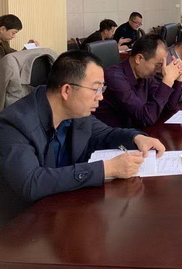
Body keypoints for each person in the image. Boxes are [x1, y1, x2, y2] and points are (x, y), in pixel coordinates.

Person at [0, 50, 165, 225]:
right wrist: (105, 169)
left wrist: (136, 138)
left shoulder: (75, 113)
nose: (100, 96)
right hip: (22, 226)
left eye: (102, 88)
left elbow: (105, 134)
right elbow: (31, 183)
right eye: (95, 89)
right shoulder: (14, 124)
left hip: (63, 211)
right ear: (66, 90)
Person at [95, 34, 182, 128]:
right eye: (158, 64)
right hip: (114, 133)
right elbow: (146, 119)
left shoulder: (145, 75)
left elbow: (168, 107)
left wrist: (178, 79)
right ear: (139, 59)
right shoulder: (115, 78)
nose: (160, 70)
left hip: (135, 131)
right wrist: (167, 81)